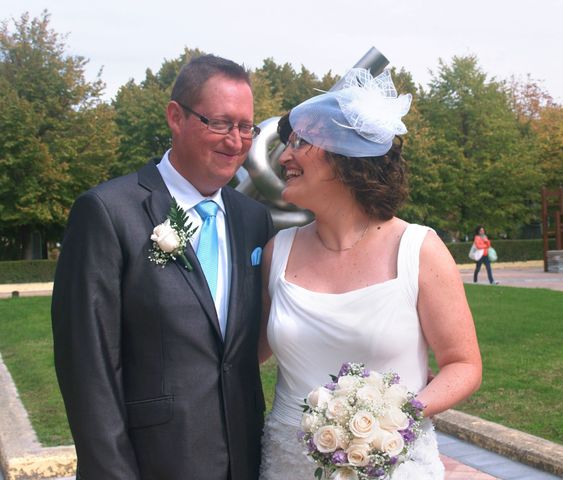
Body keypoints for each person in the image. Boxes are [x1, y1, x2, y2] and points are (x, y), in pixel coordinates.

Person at [51, 54, 274, 480]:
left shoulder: (253, 219)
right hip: (152, 464)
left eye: (246, 127)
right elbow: (88, 369)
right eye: (221, 123)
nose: (237, 141)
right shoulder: (107, 212)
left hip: (244, 460)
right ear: (176, 116)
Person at [257, 69, 482, 480]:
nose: (284, 157)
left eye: (300, 142)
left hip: (393, 463)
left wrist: (394, 416)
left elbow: (462, 364)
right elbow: (244, 353)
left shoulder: (419, 249)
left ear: (345, 158)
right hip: (287, 467)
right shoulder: (279, 251)